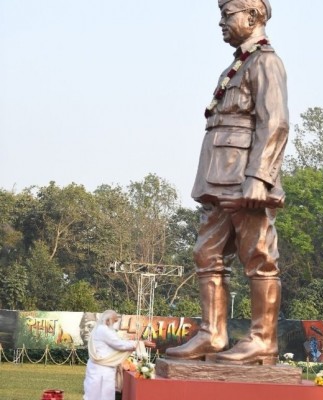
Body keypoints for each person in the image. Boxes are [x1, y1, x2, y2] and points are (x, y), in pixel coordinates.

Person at [166, 0, 288, 366]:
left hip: (244, 180)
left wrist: (260, 176)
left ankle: (262, 340)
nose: (221, 21)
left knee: (259, 256)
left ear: (253, 16)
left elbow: (276, 122)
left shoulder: (266, 61)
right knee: (207, 254)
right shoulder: (237, 66)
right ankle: (212, 334)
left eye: (228, 14)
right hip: (219, 179)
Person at [83, 310, 154, 400]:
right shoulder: (103, 330)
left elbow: (119, 343)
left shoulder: (103, 329)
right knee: (99, 396)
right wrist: (140, 343)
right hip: (102, 370)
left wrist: (139, 343)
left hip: (101, 368)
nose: (116, 323)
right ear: (108, 320)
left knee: (98, 395)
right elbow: (119, 344)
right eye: (114, 320)